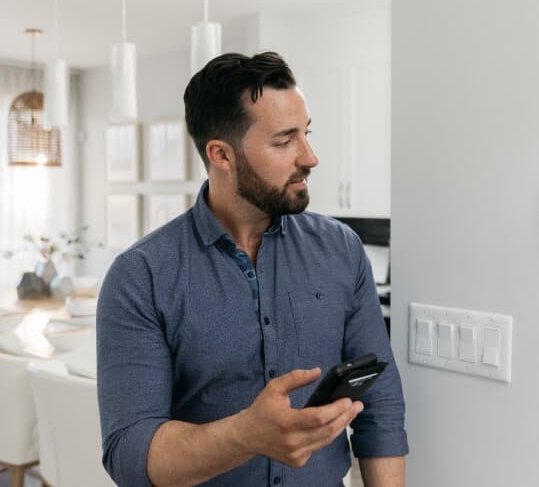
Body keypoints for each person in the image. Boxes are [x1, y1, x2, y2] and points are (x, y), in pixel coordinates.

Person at [97, 51, 408, 487]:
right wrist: (246, 435)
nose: (310, 157)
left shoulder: (340, 250)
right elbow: (130, 453)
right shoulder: (141, 276)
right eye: (284, 141)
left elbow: (382, 404)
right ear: (222, 155)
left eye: (306, 134)